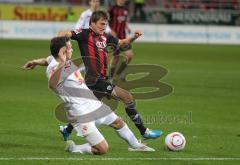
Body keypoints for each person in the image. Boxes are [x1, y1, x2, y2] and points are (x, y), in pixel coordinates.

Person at [23, 10, 162, 141]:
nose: (104, 26)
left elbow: (123, 42)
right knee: (127, 97)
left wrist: (133, 37)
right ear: (92, 23)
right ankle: (144, 132)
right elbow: (67, 34)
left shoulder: (106, 37)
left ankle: (67, 129)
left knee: (90, 108)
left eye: (106, 24)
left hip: (101, 79)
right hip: (93, 79)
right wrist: (64, 42)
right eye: (102, 23)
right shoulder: (84, 34)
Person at [31, 36, 155, 154]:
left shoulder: (57, 61)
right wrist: (63, 62)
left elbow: (48, 59)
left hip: (92, 103)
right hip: (80, 113)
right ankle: (75, 148)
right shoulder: (55, 68)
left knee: (118, 122)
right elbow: (52, 85)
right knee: (102, 149)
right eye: (69, 47)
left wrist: (35, 62)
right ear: (63, 51)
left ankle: (135, 145)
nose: (72, 49)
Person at [108, 0, 135, 81]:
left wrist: (127, 27)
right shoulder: (112, 9)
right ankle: (110, 77)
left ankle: (120, 72)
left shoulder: (125, 9)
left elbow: (124, 21)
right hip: (114, 38)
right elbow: (106, 21)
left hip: (123, 37)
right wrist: (111, 30)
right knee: (116, 57)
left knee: (130, 56)